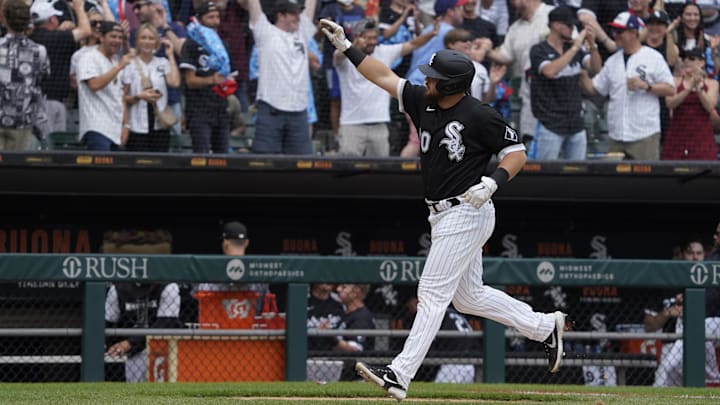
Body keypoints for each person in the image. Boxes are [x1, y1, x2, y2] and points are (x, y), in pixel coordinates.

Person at [319, 19, 566, 400]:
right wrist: (348, 47)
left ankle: (399, 374)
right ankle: (543, 326)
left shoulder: (480, 115)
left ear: (451, 84)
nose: (427, 81)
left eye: (434, 78)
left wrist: (493, 182)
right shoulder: (423, 102)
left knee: (432, 293)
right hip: (442, 213)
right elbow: (382, 75)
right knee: (468, 297)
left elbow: (516, 153)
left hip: (469, 208)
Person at [334, 17, 439, 157]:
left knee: (380, 171)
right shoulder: (345, 58)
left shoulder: (384, 52)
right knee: (345, 171)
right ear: (357, 37)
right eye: (368, 38)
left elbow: (412, 44)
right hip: (352, 124)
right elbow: (338, 56)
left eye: (374, 37)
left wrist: (431, 34)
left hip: (380, 124)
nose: (372, 41)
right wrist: (351, 46)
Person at [579, 11, 675, 161]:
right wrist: (582, 75)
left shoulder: (653, 57)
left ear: (633, 32)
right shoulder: (612, 61)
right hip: (617, 134)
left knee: (645, 182)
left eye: (619, 31)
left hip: (644, 134)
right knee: (615, 182)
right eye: (614, 31)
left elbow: (670, 89)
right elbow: (595, 89)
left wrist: (647, 86)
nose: (615, 35)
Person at [103, 229, 182, 383]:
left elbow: (165, 325)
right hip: (134, 355)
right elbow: (107, 323)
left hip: (164, 349)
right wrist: (108, 345)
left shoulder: (168, 286)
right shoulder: (118, 288)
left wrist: (130, 343)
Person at [244, 0, 318, 155]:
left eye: (299, 14)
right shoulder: (265, 33)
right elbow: (254, 5)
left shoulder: (302, 33)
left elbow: (311, 4)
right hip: (271, 110)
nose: (298, 18)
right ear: (280, 16)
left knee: (303, 164)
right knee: (265, 163)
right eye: (293, 14)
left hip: (299, 113)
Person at [644, 237, 720, 387]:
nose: (695, 257)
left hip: (702, 343)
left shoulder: (711, 284)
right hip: (671, 343)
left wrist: (691, 308)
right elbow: (649, 326)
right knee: (667, 380)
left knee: (700, 328)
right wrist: (668, 313)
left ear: (705, 256)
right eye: (690, 253)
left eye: (699, 253)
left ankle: (714, 379)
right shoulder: (667, 283)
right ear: (681, 255)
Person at [528, 5, 600, 160]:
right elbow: (550, 71)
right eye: (569, 25)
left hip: (576, 124)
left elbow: (596, 68)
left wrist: (592, 45)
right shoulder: (538, 50)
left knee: (577, 175)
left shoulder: (575, 50)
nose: (572, 29)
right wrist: (575, 47)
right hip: (551, 125)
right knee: (545, 175)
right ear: (555, 25)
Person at [486, 0, 554, 147]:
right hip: (530, 100)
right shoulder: (516, 28)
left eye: (513, 1)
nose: (512, 5)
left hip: (557, 100)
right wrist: (486, 51)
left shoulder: (552, 14)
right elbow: (505, 56)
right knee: (530, 148)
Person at [30, 0, 93, 145]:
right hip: (51, 103)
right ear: (52, 19)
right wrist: (79, 7)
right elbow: (86, 30)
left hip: (35, 102)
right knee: (51, 148)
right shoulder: (57, 38)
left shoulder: (31, 38)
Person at [179, 1, 233, 154]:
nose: (215, 21)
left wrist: (228, 84)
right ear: (200, 19)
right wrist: (212, 80)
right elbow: (190, 81)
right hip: (199, 111)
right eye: (210, 17)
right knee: (201, 157)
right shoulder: (191, 44)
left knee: (223, 158)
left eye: (217, 17)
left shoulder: (223, 45)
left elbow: (230, 77)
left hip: (221, 110)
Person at [121, 23, 181, 152]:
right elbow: (123, 98)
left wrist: (170, 55)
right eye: (143, 38)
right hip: (137, 124)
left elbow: (175, 82)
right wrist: (139, 96)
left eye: (151, 38)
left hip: (159, 124)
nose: (147, 42)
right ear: (137, 41)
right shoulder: (129, 64)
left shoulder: (162, 62)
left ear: (156, 42)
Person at [0, 0, 49, 152]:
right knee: (15, 171)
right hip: (22, 120)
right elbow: (42, 77)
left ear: (4, 19)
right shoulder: (39, 51)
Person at [76, 20, 133, 150]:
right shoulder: (88, 57)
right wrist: (119, 67)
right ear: (101, 37)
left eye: (120, 37)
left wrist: (126, 125)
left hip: (115, 129)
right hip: (96, 128)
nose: (117, 40)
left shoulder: (114, 61)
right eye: (113, 36)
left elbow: (121, 96)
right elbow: (94, 85)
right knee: (100, 170)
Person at [318, 0, 366, 139]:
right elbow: (318, 35)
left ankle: (354, 133)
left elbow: (365, 32)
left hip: (355, 61)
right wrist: (323, 25)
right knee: (336, 99)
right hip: (333, 62)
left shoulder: (359, 11)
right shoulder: (329, 9)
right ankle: (336, 135)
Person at [662, 47, 719, 161]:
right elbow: (670, 103)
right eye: (684, 58)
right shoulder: (675, 81)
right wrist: (688, 89)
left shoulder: (712, 83)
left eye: (692, 58)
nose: (687, 61)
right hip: (678, 132)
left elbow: (710, 106)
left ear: (702, 62)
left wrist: (698, 88)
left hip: (701, 133)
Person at [195, 220, 269, 295]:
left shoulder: (211, 273)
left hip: (218, 305)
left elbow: (197, 294)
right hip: (250, 306)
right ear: (247, 243)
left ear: (225, 243)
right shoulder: (257, 273)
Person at [405, 0, 466, 86]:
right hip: (426, 84)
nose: (462, 12)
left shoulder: (429, 29)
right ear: (450, 12)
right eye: (459, 8)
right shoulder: (449, 32)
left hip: (414, 81)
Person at [307, 283, 345, 352]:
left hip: (333, 356)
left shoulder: (340, 302)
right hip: (307, 353)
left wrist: (329, 333)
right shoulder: (303, 300)